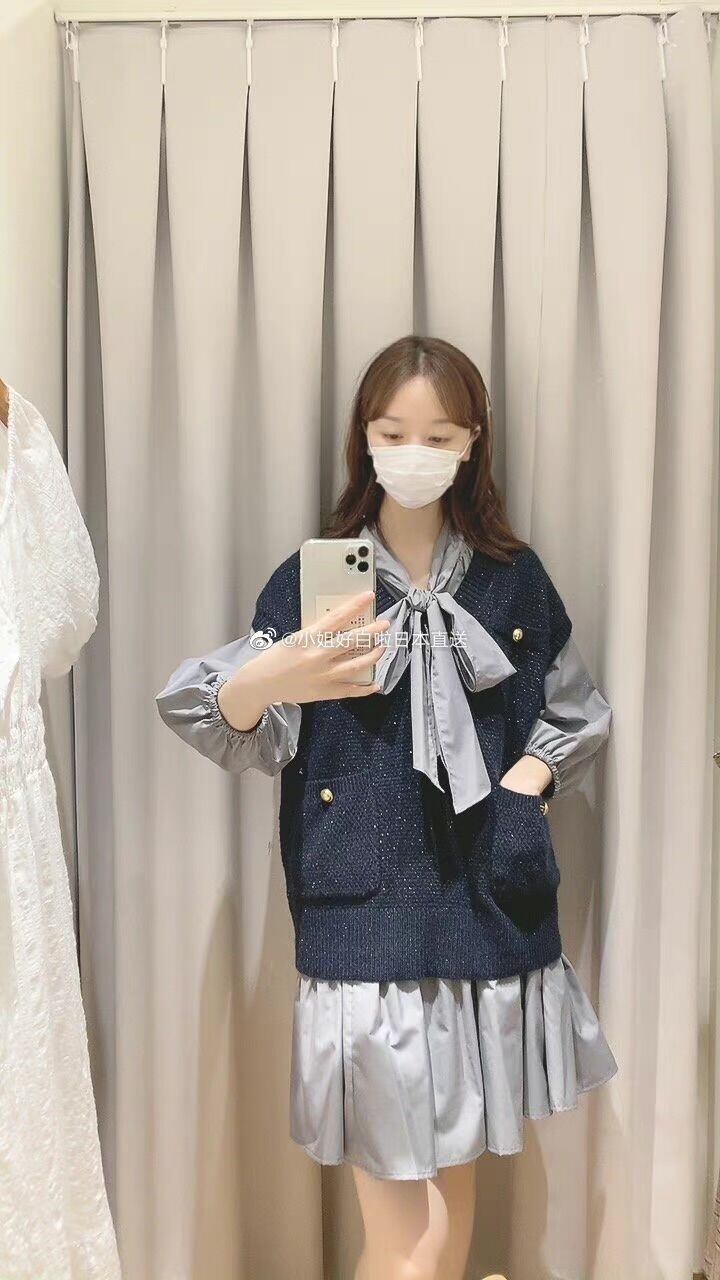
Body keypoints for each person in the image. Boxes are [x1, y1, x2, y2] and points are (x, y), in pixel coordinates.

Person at [155, 335, 618, 1280]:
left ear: (473, 441)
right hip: (360, 913)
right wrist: (268, 677)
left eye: (438, 434)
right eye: (392, 431)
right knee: (409, 1238)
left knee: (451, 1203)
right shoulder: (317, 579)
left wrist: (525, 786)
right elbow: (235, 726)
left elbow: (574, 711)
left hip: (487, 908)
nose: (414, 452)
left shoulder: (512, 577)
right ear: (363, 438)